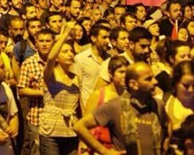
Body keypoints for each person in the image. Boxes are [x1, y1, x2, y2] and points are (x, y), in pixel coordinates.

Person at [74, 62, 171, 155]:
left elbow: (168, 125)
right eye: (148, 79)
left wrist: (165, 146)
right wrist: (104, 151)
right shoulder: (115, 106)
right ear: (133, 84)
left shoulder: (158, 105)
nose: (155, 82)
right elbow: (79, 126)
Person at [39, 22, 80, 155]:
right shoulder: (51, 74)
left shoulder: (76, 77)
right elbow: (50, 57)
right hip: (51, 131)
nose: (70, 54)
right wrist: (65, 33)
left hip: (70, 130)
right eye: (65, 51)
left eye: (71, 51)